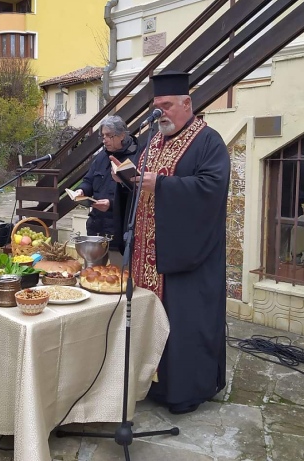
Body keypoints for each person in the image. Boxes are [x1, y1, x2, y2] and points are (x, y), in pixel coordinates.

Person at [113, 71, 230, 414]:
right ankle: (150, 382)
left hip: (186, 256)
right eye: (156, 106)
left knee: (185, 325)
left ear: (186, 104)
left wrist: (161, 185)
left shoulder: (208, 140)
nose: (160, 112)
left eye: (166, 105)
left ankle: (185, 391)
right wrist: (126, 179)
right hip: (148, 253)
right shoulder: (154, 142)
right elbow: (143, 184)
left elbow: (211, 188)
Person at [72, 115, 139, 267]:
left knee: (115, 279)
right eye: (103, 136)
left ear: (122, 135)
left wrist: (112, 203)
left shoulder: (137, 157)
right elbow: (88, 181)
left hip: (118, 231)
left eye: (109, 136)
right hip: (96, 228)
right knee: (92, 275)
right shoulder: (101, 157)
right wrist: (81, 191)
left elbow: (136, 193)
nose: (105, 140)